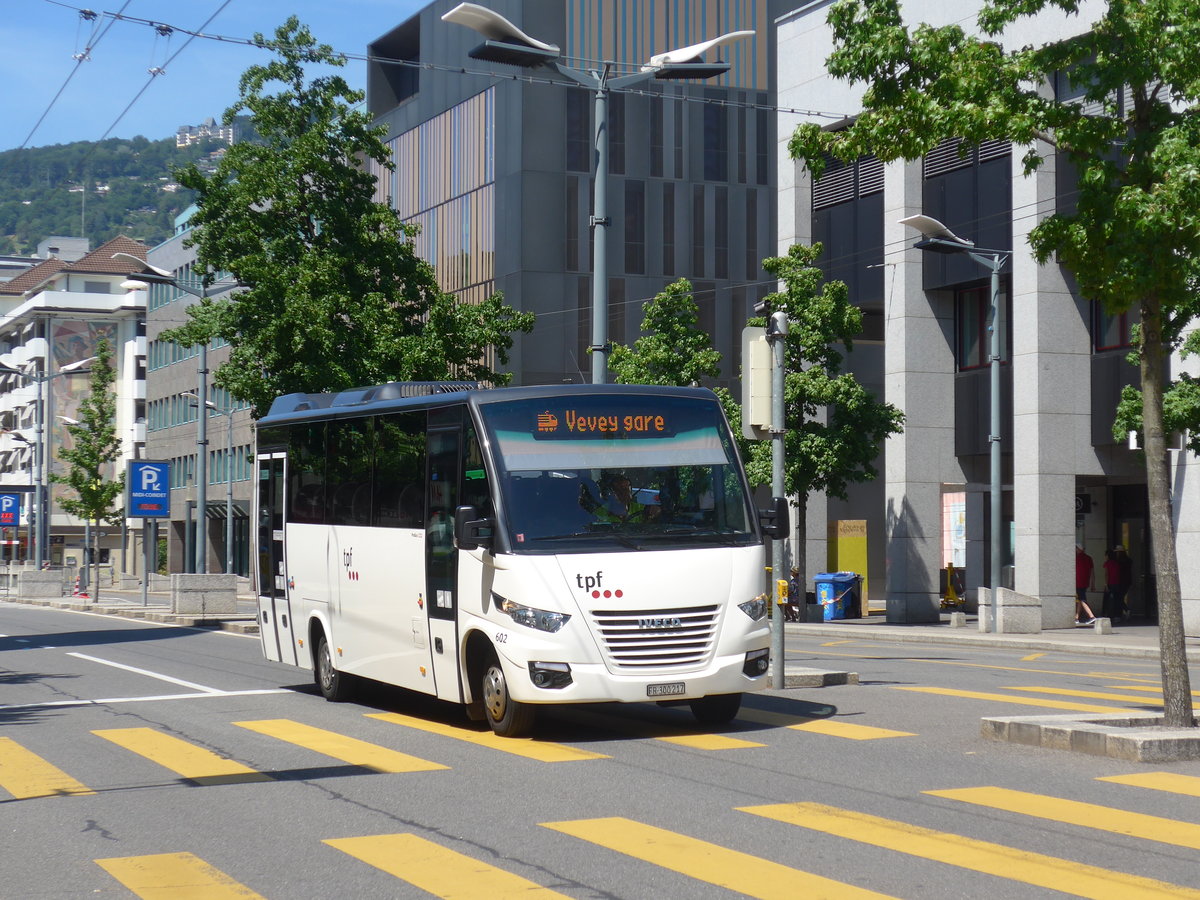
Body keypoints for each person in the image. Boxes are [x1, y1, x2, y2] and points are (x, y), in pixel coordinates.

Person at [1075, 545, 1097, 625]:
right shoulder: (1089, 558)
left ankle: (1091, 616)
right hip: (1085, 582)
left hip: (1078, 582)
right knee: (1080, 599)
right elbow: (1092, 572)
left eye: (1076, 548)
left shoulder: (1076, 559)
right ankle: (1076, 617)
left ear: (1078, 549)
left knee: (1082, 599)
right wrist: (1092, 584)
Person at [1102, 549, 1122, 622]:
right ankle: (1117, 615)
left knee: (1107, 600)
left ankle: (1106, 614)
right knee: (1117, 599)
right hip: (1117, 583)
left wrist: (1106, 584)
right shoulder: (1117, 563)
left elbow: (1106, 574)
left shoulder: (1107, 563)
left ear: (1107, 555)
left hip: (1110, 583)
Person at [1115, 545, 1133, 620]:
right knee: (1120, 597)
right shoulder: (1129, 560)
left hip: (1121, 581)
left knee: (1119, 597)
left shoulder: (1119, 561)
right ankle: (1124, 611)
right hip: (1127, 581)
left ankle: (1123, 611)